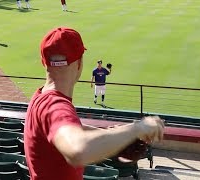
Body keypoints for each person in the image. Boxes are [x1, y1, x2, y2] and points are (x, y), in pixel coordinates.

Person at [24, 26, 165, 180]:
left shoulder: (40, 97)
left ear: (44, 62)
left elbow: (67, 129)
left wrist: (113, 133)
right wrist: (138, 128)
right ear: (79, 63)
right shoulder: (55, 105)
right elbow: (78, 151)